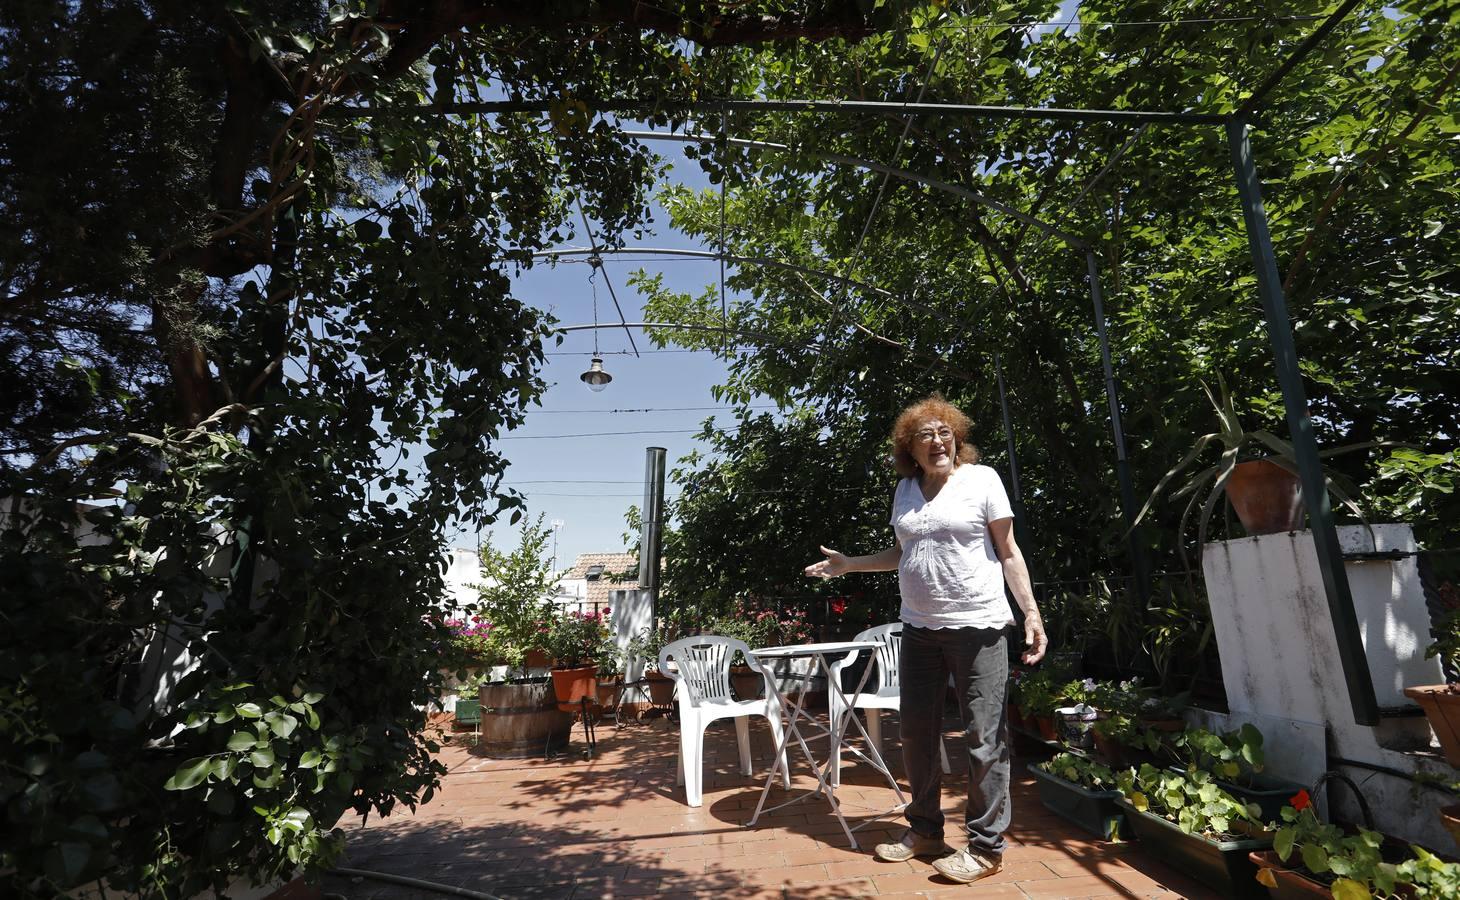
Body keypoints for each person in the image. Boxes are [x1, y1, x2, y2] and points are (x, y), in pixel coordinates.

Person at [804, 393, 1047, 885]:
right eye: (924, 435)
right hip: (918, 628)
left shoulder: (982, 480)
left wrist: (1031, 613)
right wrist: (850, 564)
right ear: (908, 449)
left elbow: (1008, 550)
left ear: (956, 438)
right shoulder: (906, 490)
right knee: (916, 733)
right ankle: (926, 831)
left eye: (944, 432)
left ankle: (985, 846)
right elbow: (904, 553)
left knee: (983, 736)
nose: (937, 441)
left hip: (978, 626)